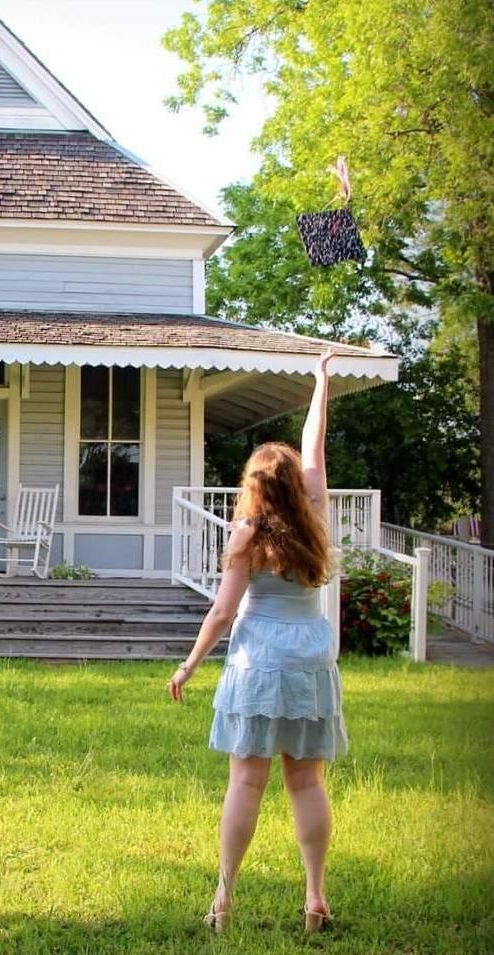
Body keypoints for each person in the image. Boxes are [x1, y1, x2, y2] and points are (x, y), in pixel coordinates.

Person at [168, 350, 347, 934]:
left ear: (252, 487)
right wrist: (321, 381)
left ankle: (224, 898)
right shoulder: (315, 514)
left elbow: (223, 612)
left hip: (259, 659)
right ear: (297, 484)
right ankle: (315, 894)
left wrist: (190, 665)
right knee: (307, 781)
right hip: (312, 657)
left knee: (248, 780)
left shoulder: (247, 533)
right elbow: (314, 444)